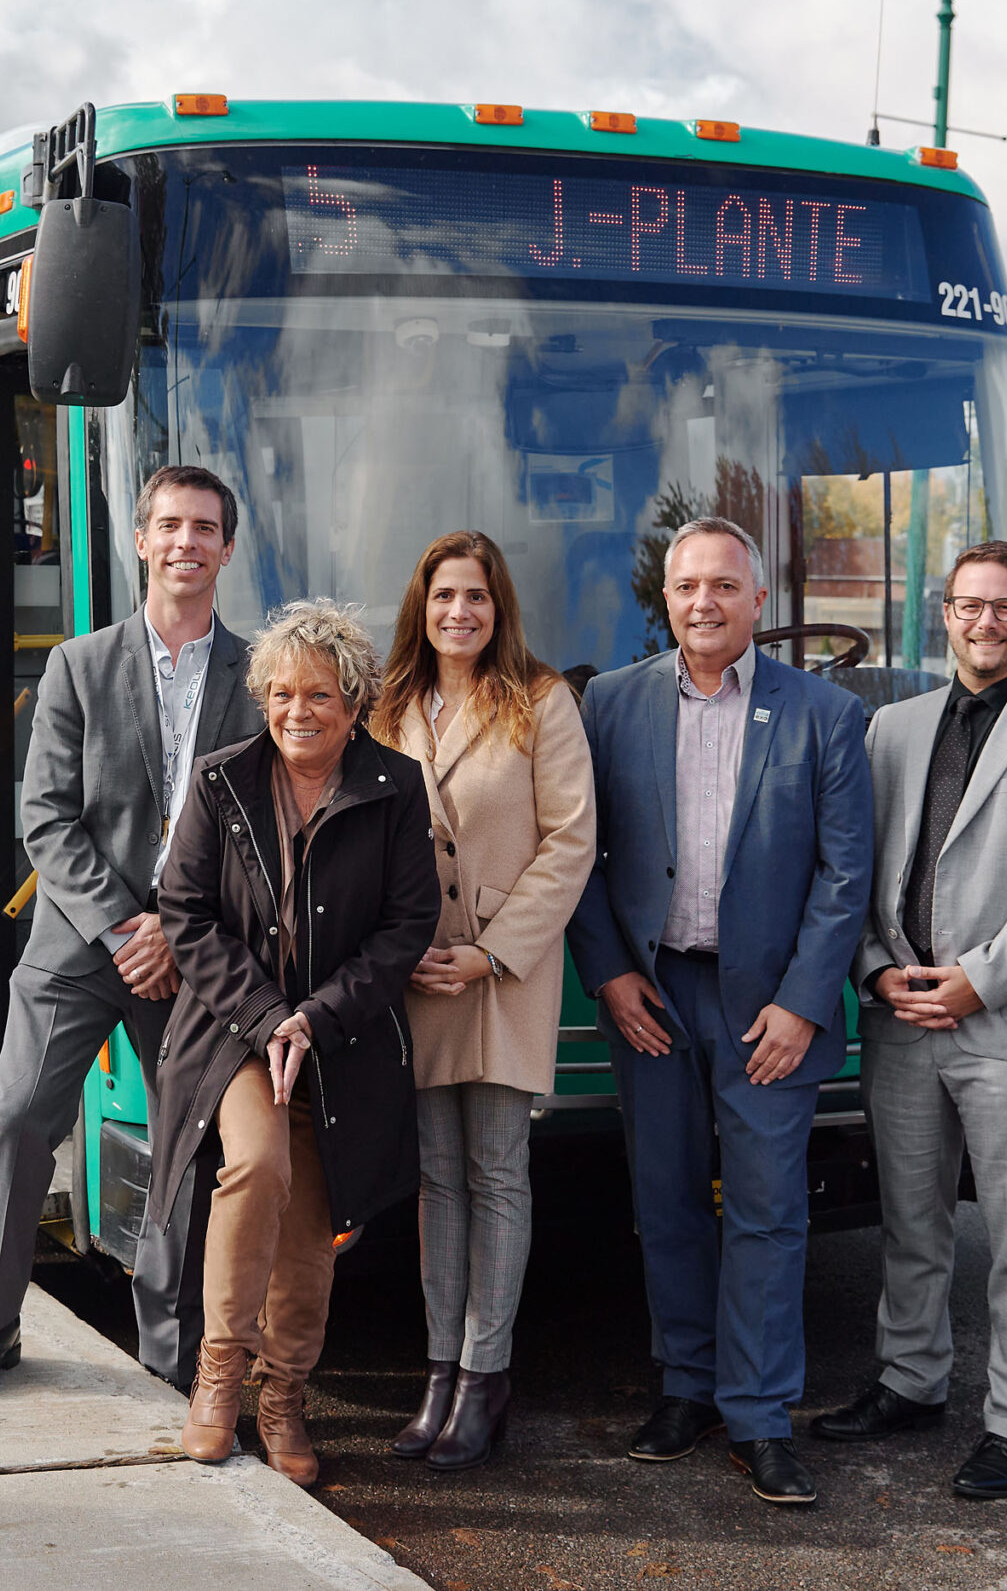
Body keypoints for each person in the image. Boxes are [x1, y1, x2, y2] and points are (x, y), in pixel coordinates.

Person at [0, 465, 265, 1398]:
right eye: (169, 524)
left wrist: (173, 930)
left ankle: (172, 1357)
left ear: (227, 547)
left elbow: (255, 833)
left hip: (196, 955)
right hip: (78, 948)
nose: (185, 543)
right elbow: (44, 816)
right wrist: (127, 924)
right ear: (141, 538)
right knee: (16, 1120)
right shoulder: (78, 666)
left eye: (204, 528)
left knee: (184, 1145)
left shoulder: (260, 680)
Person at [565, 516, 871, 1506]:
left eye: (724, 588)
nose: (705, 603)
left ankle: (759, 1415)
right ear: (665, 598)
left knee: (770, 1213)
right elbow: (579, 857)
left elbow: (843, 874)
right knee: (664, 1204)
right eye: (688, 586)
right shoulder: (609, 705)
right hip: (652, 994)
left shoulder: (825, 714)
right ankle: (686, 1387)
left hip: (767, 1008)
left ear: (757, 602)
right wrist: (609, 975)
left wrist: (800, 1003)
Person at [814, 540, 1007, 1499]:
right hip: (901, 1016)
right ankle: (910, 1380)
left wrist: (979, 980)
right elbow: (856, 866)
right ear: (943, 614)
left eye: (1005, 607)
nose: (984, 622)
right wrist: (876, 973)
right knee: (911, 1223)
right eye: (967, 605)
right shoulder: (890, 728)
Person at [153, 599, 440, 1487]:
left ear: (353, 703)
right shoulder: (220, 779)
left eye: (318, 694)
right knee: (261, 1166)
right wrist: (269, 1015)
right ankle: (219, 1376)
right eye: (281, 693)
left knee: (315, 1212)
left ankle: (285, 1395)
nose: (297, 710)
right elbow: (186, 915)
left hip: (340, 1039)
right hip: (232, 1032)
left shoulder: (395, 786)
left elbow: (407, 925)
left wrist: (315, 1017)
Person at [371, 531, 594, 1470]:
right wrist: (403, 944)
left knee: (497, 1167)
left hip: (502, 973)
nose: (459, 611)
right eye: (443, 595)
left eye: (477, 596)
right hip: (417, 972)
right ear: (420, 607)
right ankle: (440, 1368)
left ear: (500, 608)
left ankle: (485, 1375)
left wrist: (491, 955)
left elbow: (571, 841)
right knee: (436, 1176)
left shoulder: (542, 702)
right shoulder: (386, 707)